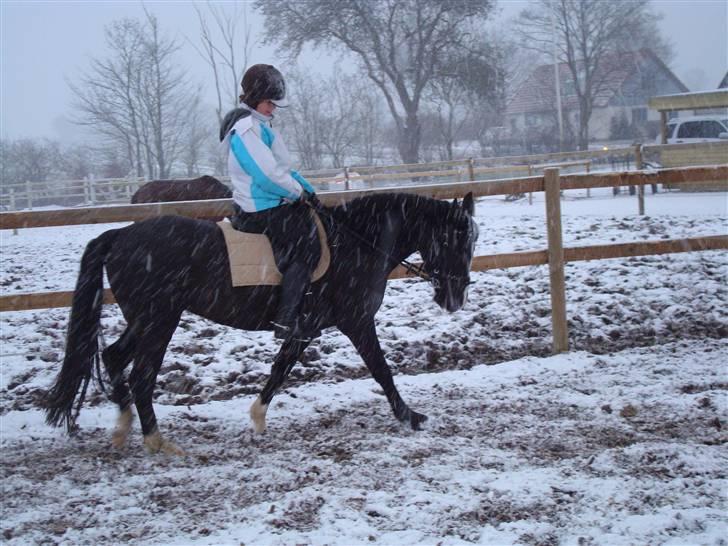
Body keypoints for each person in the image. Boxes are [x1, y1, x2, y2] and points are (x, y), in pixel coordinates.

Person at [220, 64, 322, 341]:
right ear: (255, 99)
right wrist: (296, 194)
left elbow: (283, 168)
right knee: (306, 248)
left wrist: (308, 189)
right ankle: (287, 320)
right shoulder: (246, 130)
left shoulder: (260, 126)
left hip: (270, 201)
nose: (272, 109)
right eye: (269, 103)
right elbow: (266, 175)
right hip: (260, 207)